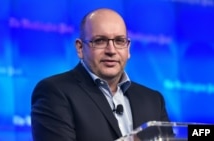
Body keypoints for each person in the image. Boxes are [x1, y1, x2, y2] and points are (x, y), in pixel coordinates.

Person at [31, 8, 172, 141]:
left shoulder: (153, 100)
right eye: (100, 41)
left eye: (119, 41)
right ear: (80, 48)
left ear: (128, 48)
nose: (111, 50)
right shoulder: (54, 92)